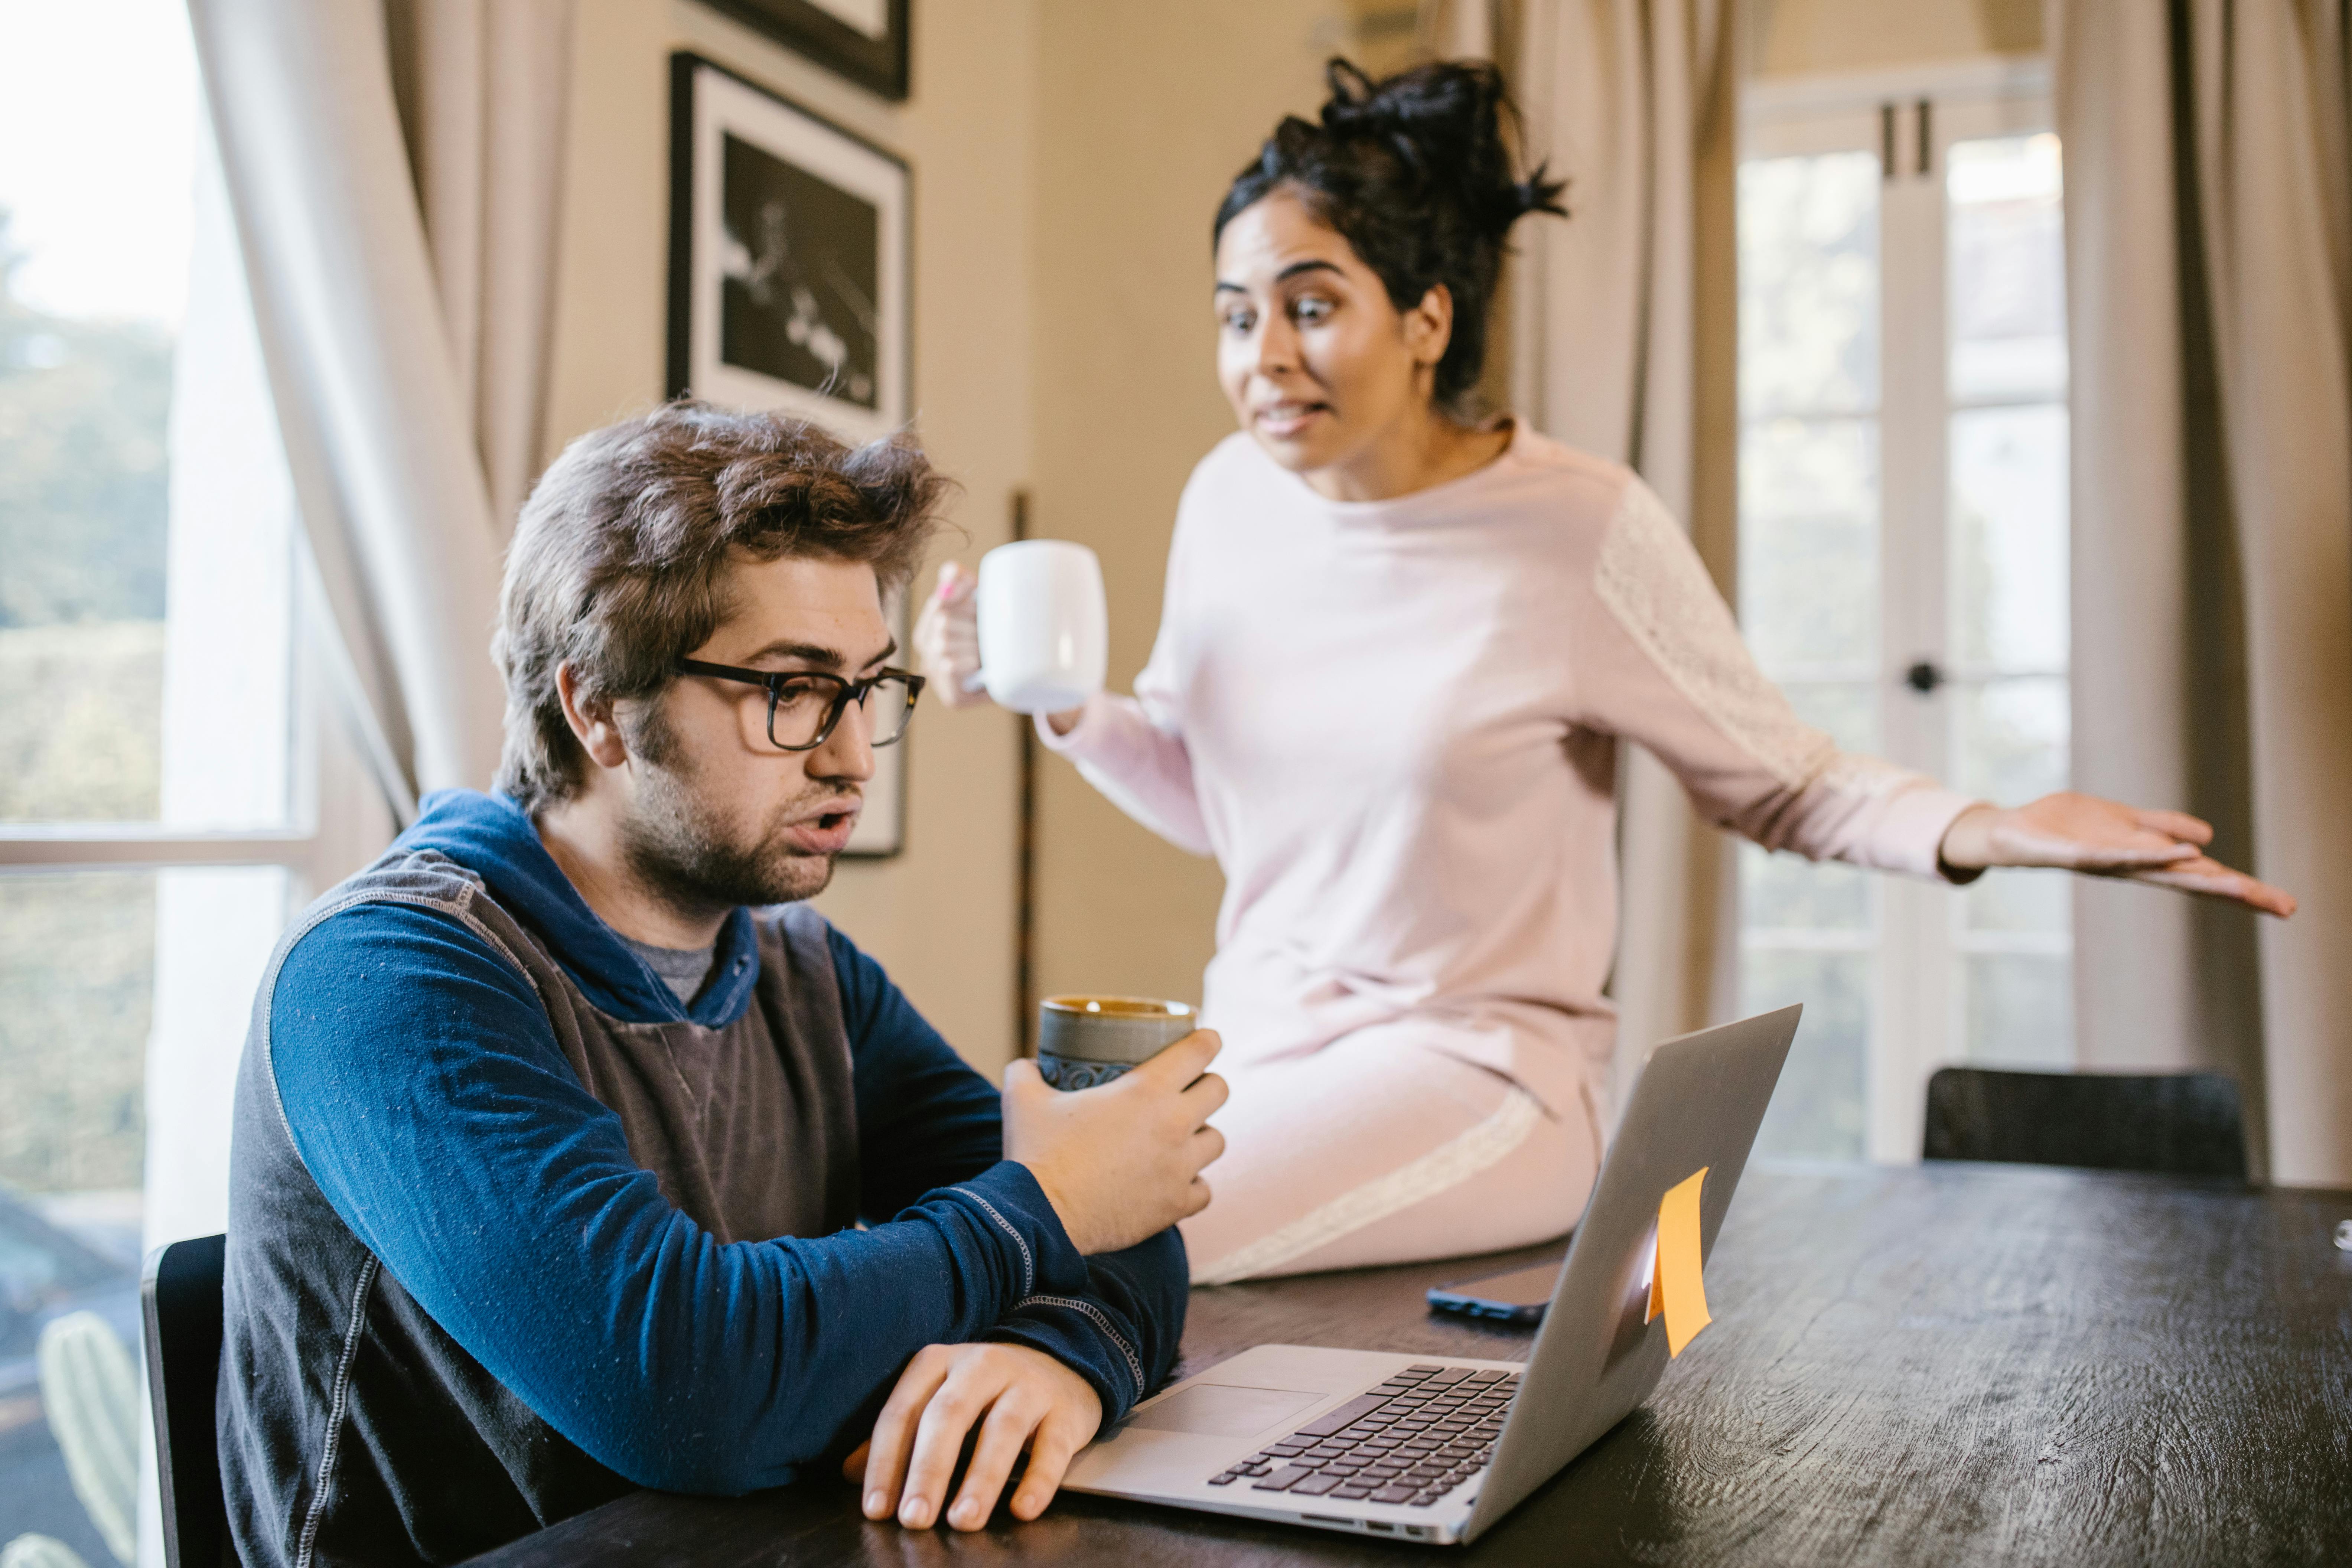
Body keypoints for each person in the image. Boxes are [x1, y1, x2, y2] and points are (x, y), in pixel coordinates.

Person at [916, 59, 2296, 1288]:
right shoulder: (1230, 498)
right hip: (1261, 1047)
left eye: (1311, 305)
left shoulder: (1577, 526)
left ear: (1427, 318)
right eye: (1234, 316)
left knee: (1116, 1231)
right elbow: (1232, 803)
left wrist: (1987, 827)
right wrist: (1065, 705)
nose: (1263, 358)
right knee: (983, 1178)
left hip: (1484, 1075)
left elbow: (1791, 784)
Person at [217, 404, 1227, 1565]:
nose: (849, 759)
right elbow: (685, 1381)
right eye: (789, 691)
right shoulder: (385, 980)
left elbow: (1128, 1209)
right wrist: (1044, 1211)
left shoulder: (799, 967)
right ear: (596, 706)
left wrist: (1061, 1354)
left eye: (865, 692)